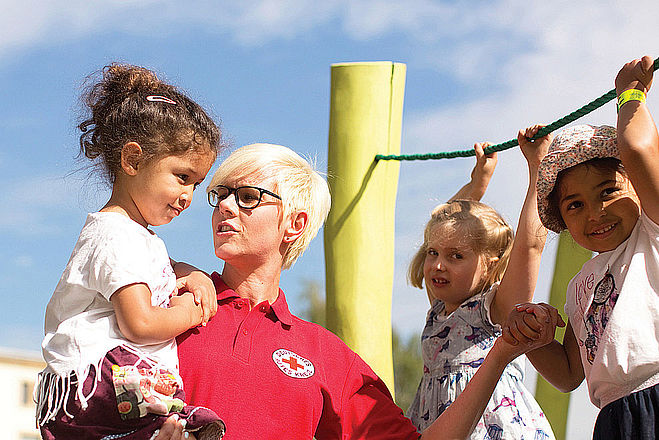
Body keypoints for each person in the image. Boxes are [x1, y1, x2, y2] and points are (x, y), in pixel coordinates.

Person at [158, 142, 562, 440]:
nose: (225, 207)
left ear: (295, 224)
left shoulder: (328, 356)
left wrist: (501, 354)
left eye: (248, 197)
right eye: (220, 195)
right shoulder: (162, 300)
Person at [35, 63, 226, 439]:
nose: (188, 196)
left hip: (100, 390)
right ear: (133, 160)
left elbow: (157, 269)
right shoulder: (115, 236)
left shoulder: (132, 236)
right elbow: (139, 324)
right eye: (182, 177)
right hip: (94, 387)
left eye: (197, 183)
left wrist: (190, 272)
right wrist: (189, 312)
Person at [503, 55, 659, 439]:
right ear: (562, 220)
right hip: (614, 420)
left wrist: (629, 95)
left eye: (608, 191)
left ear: (636, 185)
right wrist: (536, 342)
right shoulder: (581, 285)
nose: (595, 213)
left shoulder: (652, 233)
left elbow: (637, 150)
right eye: (575, 205)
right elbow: (569, 373)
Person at [405, 128, 555, 439]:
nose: (437, 264)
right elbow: (439, 226)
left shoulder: (494, 310)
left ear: (490, 262)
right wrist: (476, 185)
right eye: (433, 253)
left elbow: (529, 247)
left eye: (456, 256)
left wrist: (538, 169)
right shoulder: (439, 310)